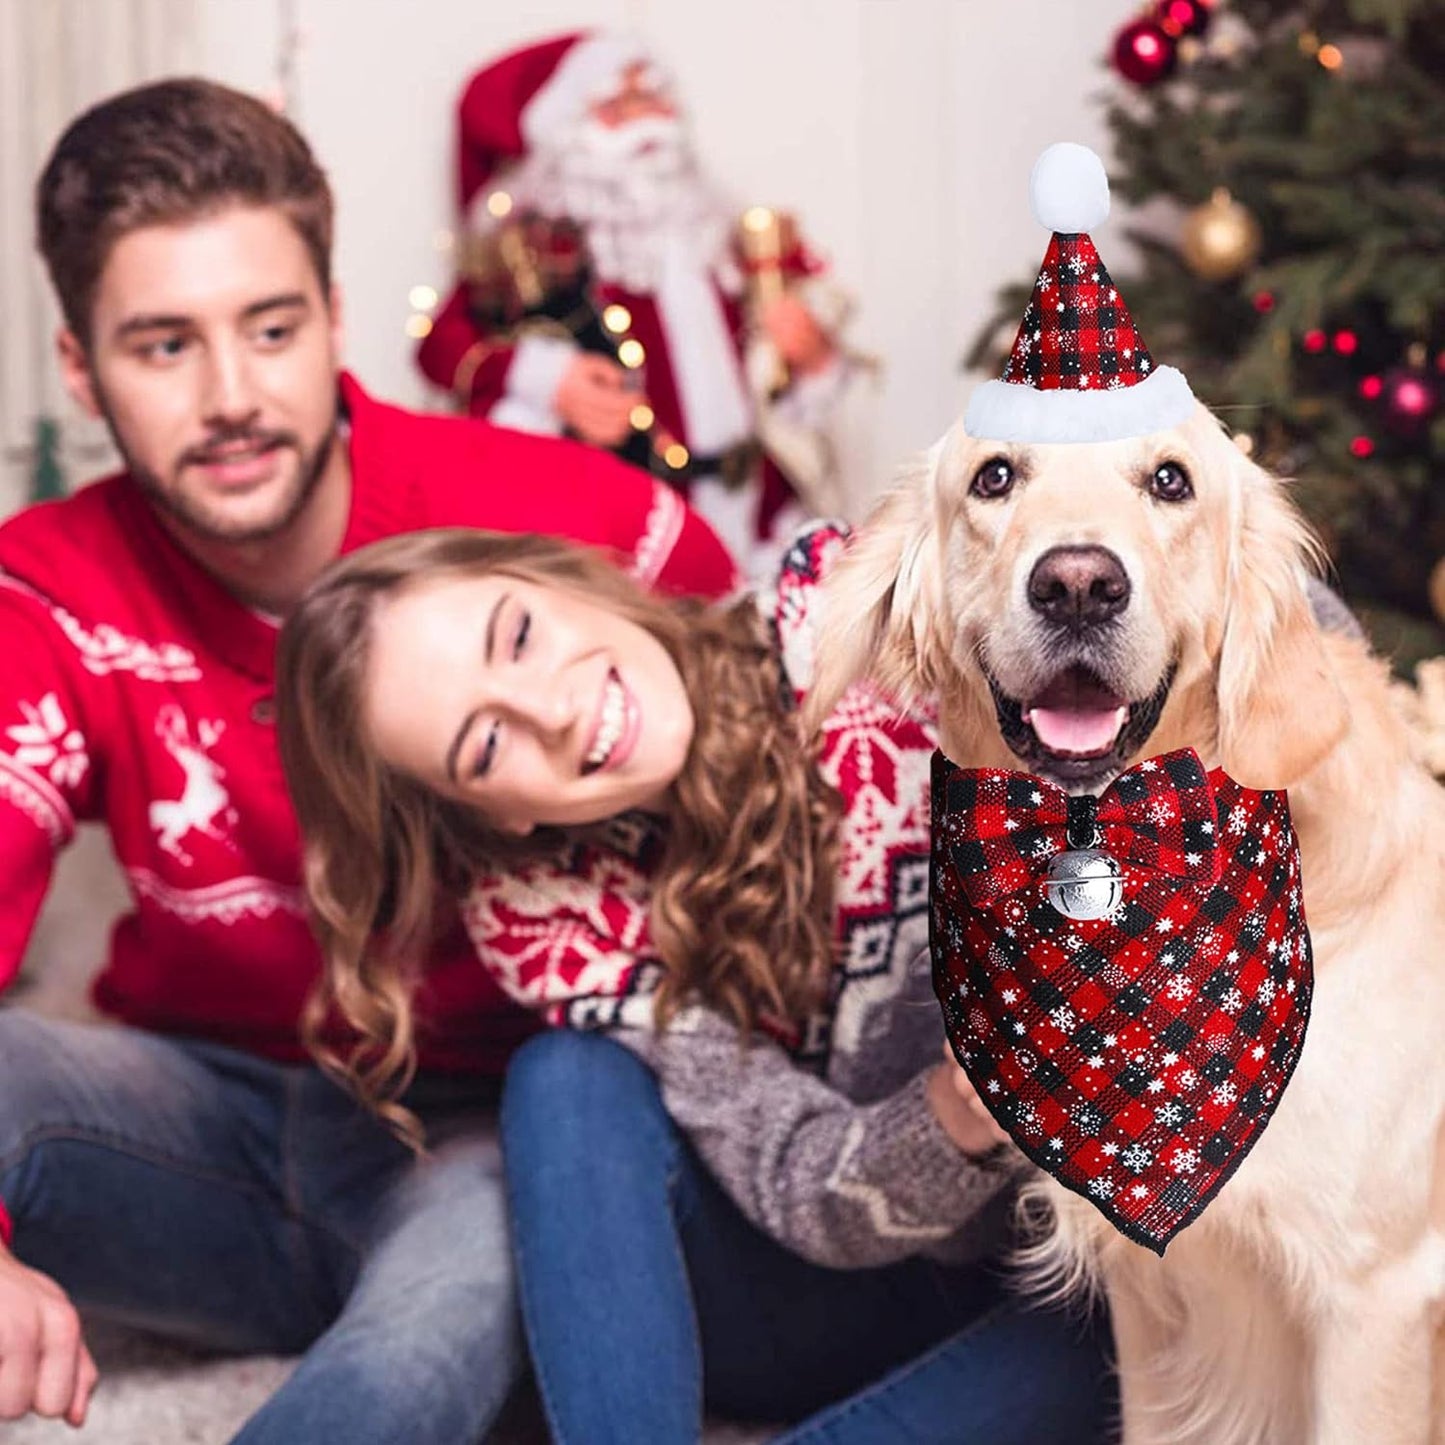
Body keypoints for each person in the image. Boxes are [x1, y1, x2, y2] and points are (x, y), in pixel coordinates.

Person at [0, 77, 735, 1441]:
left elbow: (774, 779)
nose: (231, 396)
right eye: (162, 346)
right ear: (80, 369)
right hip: (186, 1115)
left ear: (334, 321)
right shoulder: (45, 592)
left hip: (480, 1128)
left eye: (269, 330)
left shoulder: (578, 526)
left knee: (416, 1348)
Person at [275, 522, 1118, 1443]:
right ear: (491, 816)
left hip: (1089, 1261)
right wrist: (954, 1116)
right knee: (565, 1075)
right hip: (828, 1281)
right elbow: (798, 1176)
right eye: (485, 747)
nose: (550, 710)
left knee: (1125, 1329)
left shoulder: (842, 609)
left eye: (518, 635)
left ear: (566, 579)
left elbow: (1225, 618)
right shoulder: (549, 915)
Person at [417, 30, 871, 574]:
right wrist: (547, 378)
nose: (646, 121)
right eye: (616, 106)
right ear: (564, 135)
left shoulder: (720, 233)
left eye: (653, 97)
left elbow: (797, 361)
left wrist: (810, 355)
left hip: (760, 521)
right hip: (632, 538)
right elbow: (442, 348)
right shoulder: (538, 256)